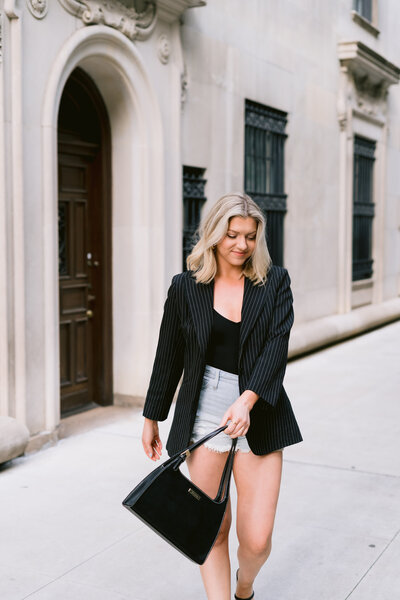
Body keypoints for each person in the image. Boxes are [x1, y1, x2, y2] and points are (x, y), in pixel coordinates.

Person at [142, 192, 302, 600]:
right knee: (212, 530)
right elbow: (168, 356)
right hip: (203, 413)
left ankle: (244, 588)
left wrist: (247, 401)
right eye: (232, 235)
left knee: (256, 541)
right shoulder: (185, 288)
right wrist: (152, 417)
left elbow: (276, 350)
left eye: (250, 237)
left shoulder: (275, 282)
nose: (241, 245)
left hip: (260, 412)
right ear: (214, 234)